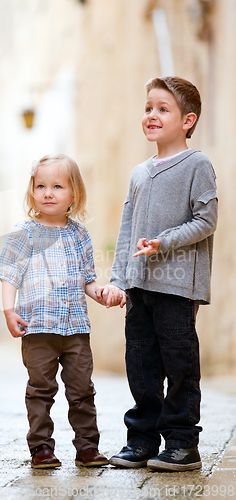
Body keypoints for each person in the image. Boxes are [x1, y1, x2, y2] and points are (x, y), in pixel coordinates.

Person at [96, 77, 218, 472]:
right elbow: (127, 229)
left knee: (179, 364)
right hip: (139, 286)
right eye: (148, 107)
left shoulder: (197, 164)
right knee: (142, 366)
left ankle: (182, 443)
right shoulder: (138, 172)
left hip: (178, 286)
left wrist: (163, 242)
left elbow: (206, 219)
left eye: (163, 109)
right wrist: (118, 280)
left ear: (187, 120)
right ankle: (143, 441)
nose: (151, 115)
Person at [0, 153, 123, 469]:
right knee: (41, 390)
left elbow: (88, 281)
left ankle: (87, 448)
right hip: (38, 328)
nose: (48, 193)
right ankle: (41, 448)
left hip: (76, 330)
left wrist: (104, 293)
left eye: (57, 186)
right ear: (32, 191)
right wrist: (8, 311)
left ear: (74, 193)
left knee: (82, 390)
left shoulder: (79, 234)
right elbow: (9, 273)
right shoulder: (24, 233)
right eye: (41, 186)